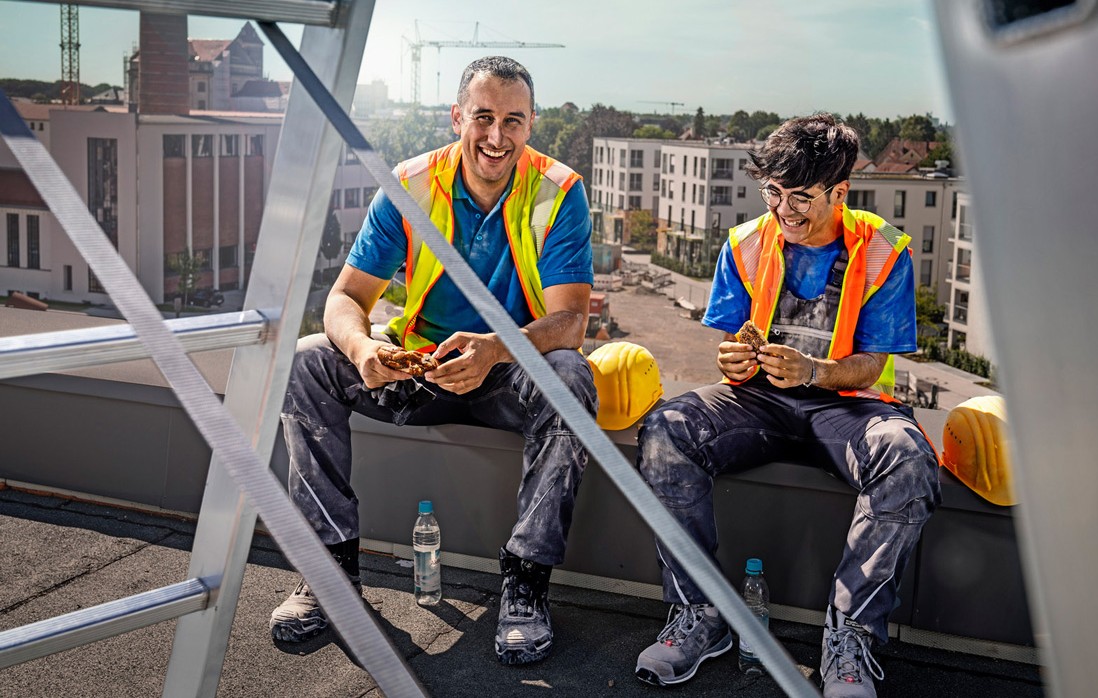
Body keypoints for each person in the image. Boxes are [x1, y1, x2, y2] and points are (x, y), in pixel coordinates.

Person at [270, 56, 597, 667]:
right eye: (483, 117)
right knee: (308, 362)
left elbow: (571, 322)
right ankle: (328, 575)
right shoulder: (410, 185)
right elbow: (345, 298)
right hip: (418, 367)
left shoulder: (559, 192)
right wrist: (365, 349)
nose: (496, 136)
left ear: (531, 126)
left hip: (506, 372)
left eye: (513, 121)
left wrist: (496, 348)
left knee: (571, 378)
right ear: (456, 118)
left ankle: (525, 585)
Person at [632, 113, 941, 697]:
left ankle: (849, 640)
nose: (783, 210)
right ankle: (701, 615)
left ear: (840, 192)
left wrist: (816, 371)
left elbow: (873, 364)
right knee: (667, 429)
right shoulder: (746, 244)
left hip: (850, 408)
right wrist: (734, 363)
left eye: (800, 197)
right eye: (773, 192)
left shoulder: (884, 250)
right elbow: (728, 343)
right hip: (761, 405)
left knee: (908, 460)